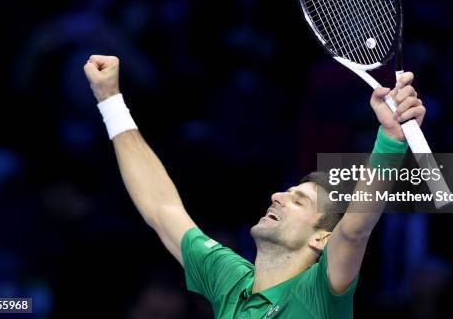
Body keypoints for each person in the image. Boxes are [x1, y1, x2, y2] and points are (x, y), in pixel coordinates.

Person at [83, 55, 426, 318]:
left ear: (321, 239)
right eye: (287, 192)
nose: (277, 196)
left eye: (298, 200)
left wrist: (390, 142)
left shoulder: (318, 293)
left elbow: (353, 230)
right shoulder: (229, 279)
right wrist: (111, 101)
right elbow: (161, 209)